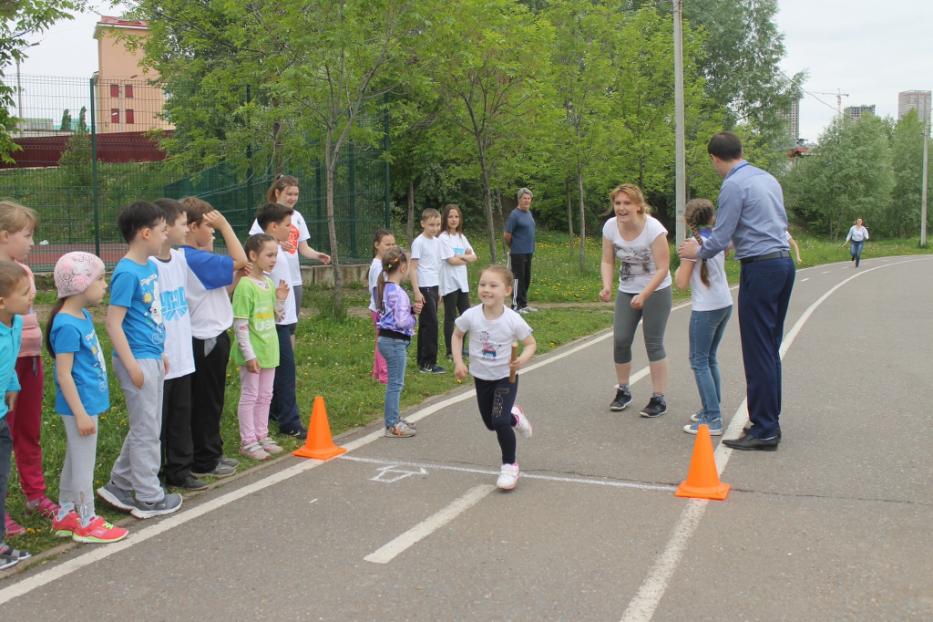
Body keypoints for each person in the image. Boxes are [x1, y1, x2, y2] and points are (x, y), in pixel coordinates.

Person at [679, 131, 795, 451]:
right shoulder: (767, 178)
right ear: (741, 150)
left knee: (757, 350)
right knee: (769, 348)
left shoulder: (732, 184)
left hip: (760, 269)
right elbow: (752, 228)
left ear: (715, 159)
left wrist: (696, 248)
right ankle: (768, 418)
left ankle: (765, 428)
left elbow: (720, 236)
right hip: (783, 264)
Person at [97, 202, 183, 519]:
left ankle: (119, 485)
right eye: (162, 231)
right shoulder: (126, 273)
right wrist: (132, 364)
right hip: (136, 361)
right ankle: (148, 497)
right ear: (145, 233)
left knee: (145, 426)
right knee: (147, 430)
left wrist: (159, 352)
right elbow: (113, 322)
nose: (165, 236)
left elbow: (149, 315)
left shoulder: (148, 267)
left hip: (150, 356)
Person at [47, 252, 128, 543]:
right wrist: (80, 413)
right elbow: (63, 374)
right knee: (84, 464)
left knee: (75, 458)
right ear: (81, 284)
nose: (105, 285)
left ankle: (65, 513)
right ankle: (86, 520)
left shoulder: (81, 315)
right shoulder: (67, 324)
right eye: (100, 278)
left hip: (87, 403)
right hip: (78, 406)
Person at [0, 201, 58, 538]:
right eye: (27, 235)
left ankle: (35, 494)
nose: (32, 242)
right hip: (5, 366)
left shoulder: (23, 271)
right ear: (5, 235)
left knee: (27, 429)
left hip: (28, 361)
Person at [179, 198, 247, 480]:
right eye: (210, 226)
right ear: (193, 227)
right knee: (207, 401)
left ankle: (211, 452)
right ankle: (204, 459)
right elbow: (242, 259)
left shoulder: (195, 257)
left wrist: (236, 278)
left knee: (212, 398)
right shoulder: (193, 258)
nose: (215, 231)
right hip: (204, 337)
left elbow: (222, 290)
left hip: (213, 333)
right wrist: (226, 224)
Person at [452, 265, 536, 491]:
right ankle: (515, 417)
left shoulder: (513, 319)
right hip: (481, 377)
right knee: (491, 423)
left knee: (499, 420)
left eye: (493, 285)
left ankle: (510, 465)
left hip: (505, 378)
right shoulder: (471, 315)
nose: (486, 290)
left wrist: (522, 360)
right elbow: (457, 335)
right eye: (482, 285)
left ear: (507, 290)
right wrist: (459, 362)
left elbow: (530, 344)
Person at [599, 184, 673, 418]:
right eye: (618, 203)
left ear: (639, 205)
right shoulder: (610, 227)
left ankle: (658, 398)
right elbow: (607, 260)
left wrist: (645, 294)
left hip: (657, 290)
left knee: (653, 342)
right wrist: (607, 285)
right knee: (620, 340)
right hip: (627, 289)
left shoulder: (654, 229)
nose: (621, 208)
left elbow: (663, 268)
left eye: (627, 203)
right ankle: (623, 391)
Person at [151, 199, 204, 491]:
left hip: (183, 355)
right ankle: (153, 473)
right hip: (160, 356)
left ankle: (179, 470)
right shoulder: (147, 265)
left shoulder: (182, 258)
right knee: (157, 421)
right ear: (165, 226)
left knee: (181, 417)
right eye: (182, 224)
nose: (186, 229)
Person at [674, 199, 733, 436]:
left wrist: (680, 264)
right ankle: (712, 407)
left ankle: (713, 417)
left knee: (699, 361)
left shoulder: (691, 245)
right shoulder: (717, 240)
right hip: (724, 303)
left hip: (706, 307)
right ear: (711, 218)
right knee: (710, 358)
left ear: (687, 221)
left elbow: (680, 283)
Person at [249, 175, 330, 344]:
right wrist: (275, 243)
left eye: (296, 194)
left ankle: (288, 362)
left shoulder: (298, 217)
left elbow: (303, 248)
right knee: (273, 321)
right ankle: (271, 359)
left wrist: (317, 255)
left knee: (291, 324)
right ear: (278, 192)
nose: (293, 198)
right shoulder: (267, 216)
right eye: (289, 193)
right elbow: (255, 245)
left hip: (293, 279)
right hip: (273, 279)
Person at [232, 234, 289, 460]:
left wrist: (280, 300)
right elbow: (241, 324)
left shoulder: (268, 283)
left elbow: (275, 318)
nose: (274, 259)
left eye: (276, 254)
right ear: (253, 256)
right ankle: (248, 441)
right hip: (253, 353)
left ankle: (261, 435)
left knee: (266, 395)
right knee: (250, 395)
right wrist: (249, 355)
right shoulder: (245, 286)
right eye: (269, 255)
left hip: (269, 350)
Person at [256, 202, 306, 437]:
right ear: (273, 227)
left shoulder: (278, 250)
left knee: (278, 372)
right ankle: (290, 422)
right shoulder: (267, 254)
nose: (291, 229)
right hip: (275, 322)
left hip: (282, 319)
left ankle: (275, 412)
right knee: (286, 372)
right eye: (287, 225)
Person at [0, 261, 33, 569]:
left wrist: (13, 385)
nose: (31, 297)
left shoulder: (17, 323)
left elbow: (9, 361)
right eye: (24, 293)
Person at [377, 247, 423, 438]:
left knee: (395, 383)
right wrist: (413, 317)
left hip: (389, 339)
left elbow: (394, 314)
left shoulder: (387, 288)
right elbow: (400, 321)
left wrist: (410, 310)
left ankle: (394, 418)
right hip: (394, 341)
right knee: (396, 383)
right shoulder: (397, 292)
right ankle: (392, 424)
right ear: (403, 268)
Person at [438, 204, 478, 360]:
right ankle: (450, 351)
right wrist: (465, 258)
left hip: (462, 283)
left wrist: (462, 257)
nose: (453, 220)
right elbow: (451, 261)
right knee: (450, 317)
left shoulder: (461, 237)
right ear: (445, 218)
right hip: (449, 283)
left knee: (466, 315)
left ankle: (461, 347)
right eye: (450, 217)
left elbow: (474, 257)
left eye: (456, 217)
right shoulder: (443, 238)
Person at [410, 208, 445, 374]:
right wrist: (417, 291)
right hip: (424, 286)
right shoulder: (419, 242)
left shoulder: (437, 242)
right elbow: (413, 268)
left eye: (437, 224)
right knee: (430, 324)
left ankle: (424, 361)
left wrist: (440, 290)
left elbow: (438, 267)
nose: (435, 228)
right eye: (431, 225)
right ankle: (427, 363)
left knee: (429, 324)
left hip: (434, 285)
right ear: (423, 224)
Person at [368, 229, 396, 384]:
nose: (391, 247)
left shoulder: (384, 263)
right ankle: (384, 375)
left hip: (383, 309)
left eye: (393, 243)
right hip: (381, 310)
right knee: (385, 343)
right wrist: (383, 310)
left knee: (381, 341)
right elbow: (375, 290)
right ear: (377, 245)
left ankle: (377, 373)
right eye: (387, 244)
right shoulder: (378, 266)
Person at [504, 188, 537, 313]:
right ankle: (515, 306)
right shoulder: (514, 215)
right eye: (525, 198)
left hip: (529, 251)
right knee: (517, 279)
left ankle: (523, 304)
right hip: (517, 252)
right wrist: (513, 246)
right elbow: (507, 235)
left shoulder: (528, 213)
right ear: (519, 199)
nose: (527, 201)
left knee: (526, 278)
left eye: (529, 198)